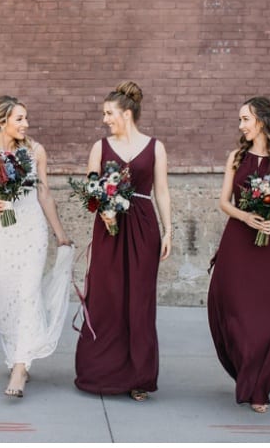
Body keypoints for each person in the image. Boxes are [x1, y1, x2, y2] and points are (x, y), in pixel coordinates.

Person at [74, 81, 172, 402]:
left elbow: (162, 191)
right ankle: (100, 372)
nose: (105, 119)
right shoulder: (99, 147)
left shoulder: (155, 147)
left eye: (109, 113)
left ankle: (139, 377)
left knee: (139, 301)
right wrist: (103, 209)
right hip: (108, 226)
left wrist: (168, 229)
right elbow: (92, 186)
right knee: (106, 296)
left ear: (126, 114)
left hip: (143, 228)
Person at [0, 95, 75, 398]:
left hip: (32, 230)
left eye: (26, 118)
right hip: (2, 233)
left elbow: (44, 194)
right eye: (20, 118)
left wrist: (60, 235)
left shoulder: (35, 151)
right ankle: (15, 354)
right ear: (2, 120)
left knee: (28, 293)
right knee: (7, 297)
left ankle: (20, 366)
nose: (26, 124)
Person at [207, 96, 270, 414]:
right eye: (239, 120)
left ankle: (258, 387)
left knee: (266, 319)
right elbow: (223, 202)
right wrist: (246, 217)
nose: (241, 125)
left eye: (245, 119)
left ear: (261, 121)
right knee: (231, 311)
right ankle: (244, 370)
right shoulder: (236, 157)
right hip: (237, 242)